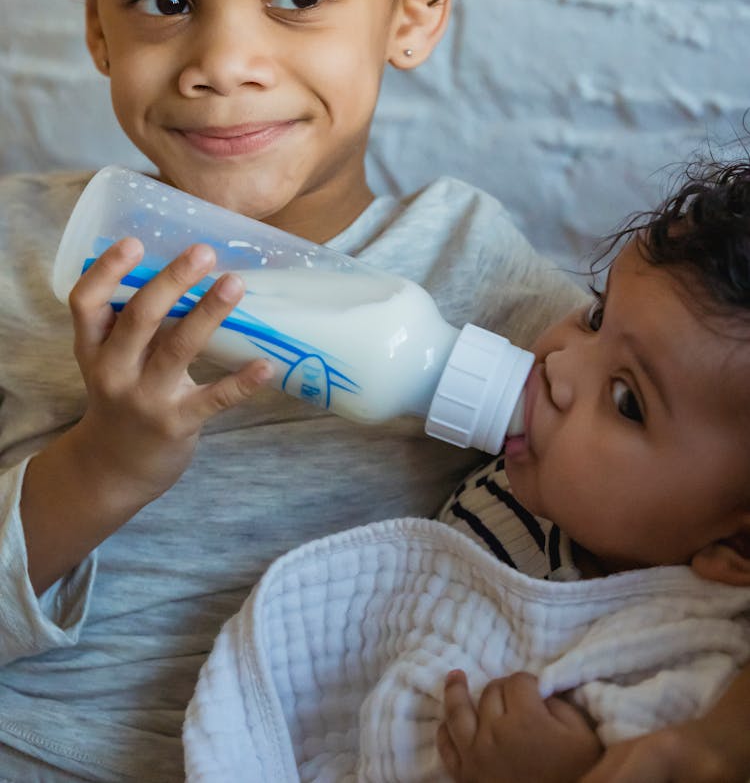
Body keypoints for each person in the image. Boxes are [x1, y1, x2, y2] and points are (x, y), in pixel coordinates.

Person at [0, 0, 746, 780]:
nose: (224, 65)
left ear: (415, 6)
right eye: (163, 1)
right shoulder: (25, 261)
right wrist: (101, 468)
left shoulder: (499, 303)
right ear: (99, 30)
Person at [182, 158, 750, 783]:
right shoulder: (510, 497)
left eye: (626, 401)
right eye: (595, 315)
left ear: (735, 542)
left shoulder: (689, 675)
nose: (559, 364)